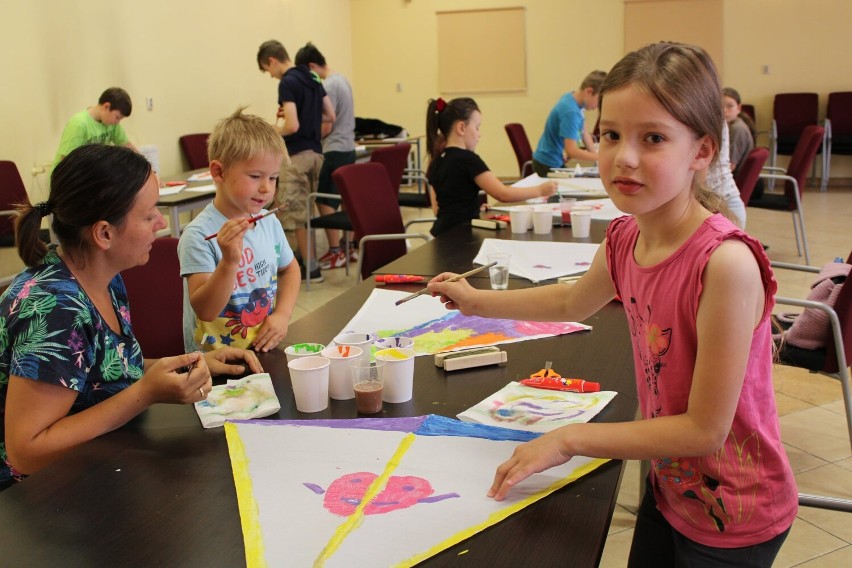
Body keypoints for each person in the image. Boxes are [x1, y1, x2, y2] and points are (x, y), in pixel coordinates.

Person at [428, 43, 796, 566]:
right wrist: (474, 301)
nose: (624, 156)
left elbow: (705, 428)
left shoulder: (724, 264)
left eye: (653, 138)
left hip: (734, 508)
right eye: (611, 135)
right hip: (672, 487)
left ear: (701, 151)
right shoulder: (627, 238)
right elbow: (572, 299)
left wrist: (568, 439)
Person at [0, 144, 263, 492]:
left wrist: (191, 363)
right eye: (149, 214)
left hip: (95, 464)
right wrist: (145, 393)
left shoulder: (102, 276)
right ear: (104, 233)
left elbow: (99, 368)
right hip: (37, 498)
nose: (161, 223)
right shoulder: (54, 309)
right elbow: (26, 453)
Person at [178, 108, 301, 354]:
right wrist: (230, 262)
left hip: (263, 349)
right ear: (218, 172)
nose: (267, 188)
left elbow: (290, 269)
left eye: (273, 178)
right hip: (216, 363)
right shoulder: (198, 235)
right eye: (256, 176)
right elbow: (206, 310)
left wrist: (282, 315)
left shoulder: (268, 221)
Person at [257, 39, 336, 283]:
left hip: (297, 157)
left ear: (272, 60)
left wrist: (270, 130)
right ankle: (308, 262)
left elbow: (292, 125)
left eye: (267, 70)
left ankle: (310, 269)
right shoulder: (312, 78)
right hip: (316, 154)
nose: (270, 76)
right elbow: (330, 115)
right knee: (308, 210)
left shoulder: (288, 82)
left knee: (296, 215)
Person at [425, 97, 557, 237]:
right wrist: (540, 190)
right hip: (461, 238)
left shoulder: (436, 160)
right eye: (477, 127)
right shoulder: (468, 160)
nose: (479, 134)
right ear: (461, 128)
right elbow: (502, 194)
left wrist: (471, 208)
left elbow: (438, 209)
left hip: (440, 236)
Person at [294, 42, 357, 270]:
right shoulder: (342, 80)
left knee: (324, 200)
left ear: (312, 66)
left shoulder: (327, 86)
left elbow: (326, 125)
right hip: (347, 147)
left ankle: (335, 252)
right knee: (344, 201)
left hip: (333, 148)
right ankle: (348, 248)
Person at [531, 71, 607, 176]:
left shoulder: (572, 99)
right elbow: (571, 151)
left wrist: (596, 155)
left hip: (552, 159)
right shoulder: (571, 112)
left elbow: (584, 132)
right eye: (598, 101)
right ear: (589, 92)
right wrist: (601, 157)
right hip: (547, 163)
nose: (597, 107)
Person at [52, 87, 138, 169]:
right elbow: (66, 161)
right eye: (117, 117)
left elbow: (126, 145)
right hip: (65, 176)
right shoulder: (79, 124)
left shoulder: (112, 124)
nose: (118, 122)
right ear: (106, 106)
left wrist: (142, 162)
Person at [722, 87, 756, 175]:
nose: (724, 111)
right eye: (720, 106)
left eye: (730, 106)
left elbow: (730, 166)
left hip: (735, 182)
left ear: (739, 108)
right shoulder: (731, 126)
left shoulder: (738, 129)